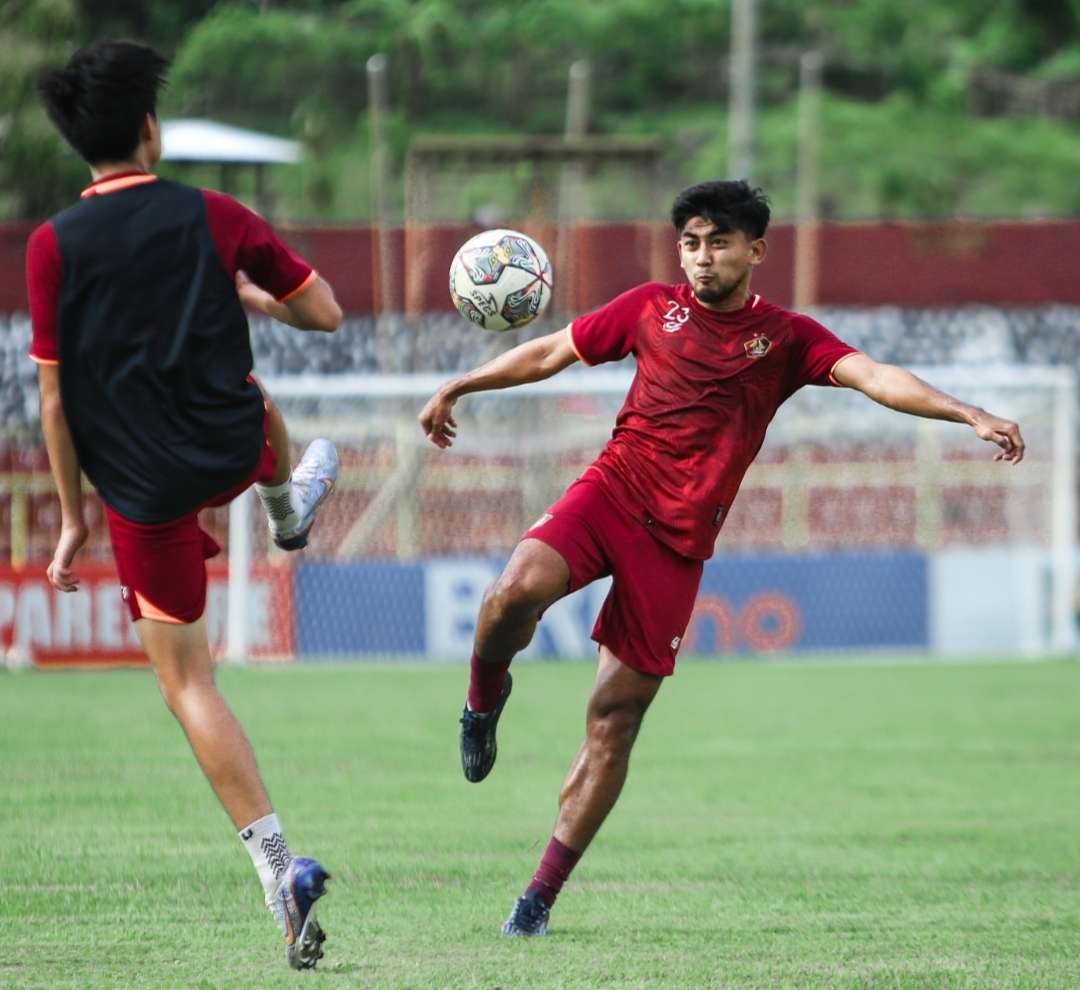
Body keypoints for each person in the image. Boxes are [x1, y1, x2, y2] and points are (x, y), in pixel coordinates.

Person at [418, 179, 1025, 937]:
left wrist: (967, 411)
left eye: (719, 243)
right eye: (691, 243)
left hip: (675, 547)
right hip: (610, 491)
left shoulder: (788, 338)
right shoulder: (649, 307)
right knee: (514, 590)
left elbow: (876, 378)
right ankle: (483, 700)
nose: (702, 259)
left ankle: (537, 901)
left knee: (612, 722)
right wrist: (462, 385)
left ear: (755, 251)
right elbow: (553, 350)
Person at [28, 41, 342, 970]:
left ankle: (277, 871)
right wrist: (252, 291)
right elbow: (324, 313)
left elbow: (53, 396)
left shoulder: (52, 245)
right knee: (267, 407)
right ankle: (287, 510)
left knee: (189, 684)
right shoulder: (213, 213)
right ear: (150, 130)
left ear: (75, 144)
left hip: (139, 489)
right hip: (226, 442)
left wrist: (75, 516)